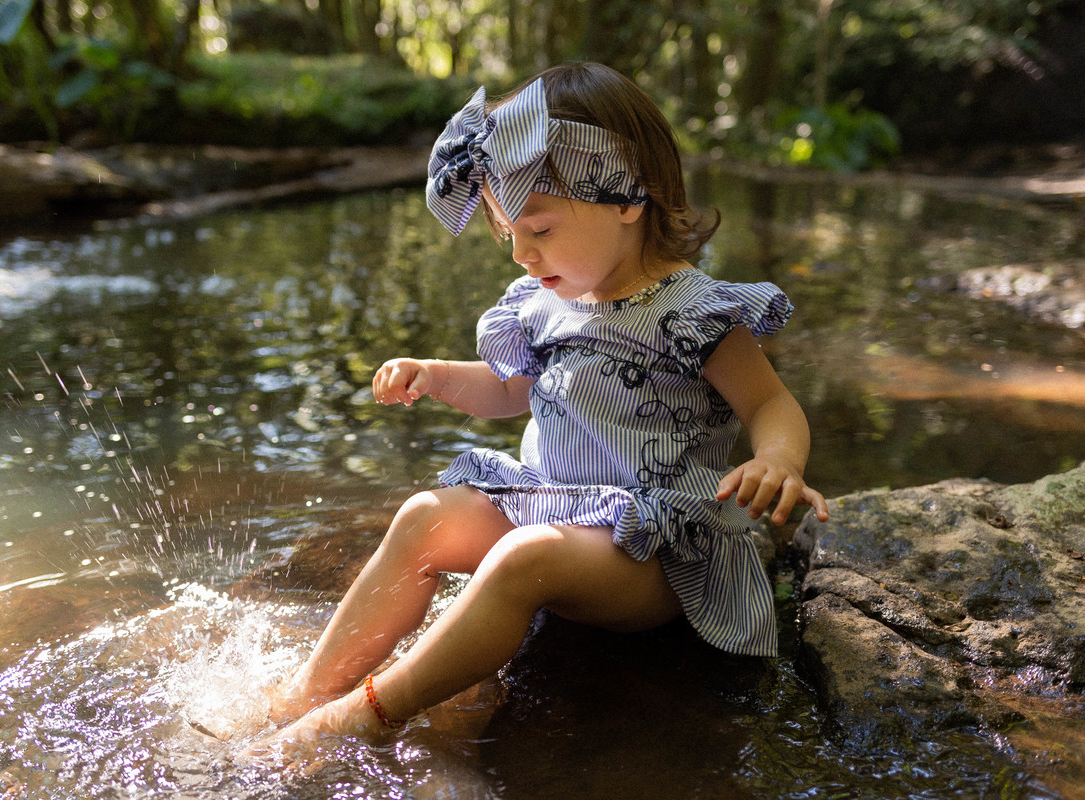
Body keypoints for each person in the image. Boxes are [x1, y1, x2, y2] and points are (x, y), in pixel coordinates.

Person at [256, 61, 828, 750]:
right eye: (508, 232)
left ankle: (368, 713)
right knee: (423, 517)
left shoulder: (692, 312)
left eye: (541, 229)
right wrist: (437, 376)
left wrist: (778, 460)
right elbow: (509, 390)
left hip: (652, 552)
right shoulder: (547, 302)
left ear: (628, 196)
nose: (522, 254)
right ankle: (308, 692)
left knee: (524, 557)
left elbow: (769, 402)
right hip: (555, 504)